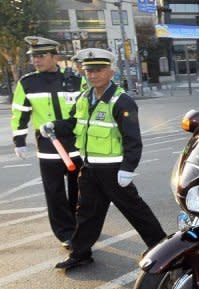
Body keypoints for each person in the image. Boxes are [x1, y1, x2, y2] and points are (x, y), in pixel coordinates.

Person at [52, 48, 167, 270]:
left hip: (113, 170)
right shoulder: (85, 97)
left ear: (110, 71)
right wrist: (54, 126)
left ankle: (162, 249)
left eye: (98, 70)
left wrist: (127, 168)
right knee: (86, 212)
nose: (92, 75)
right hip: (90, 168)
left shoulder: (121, 101)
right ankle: (80, 253)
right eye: (88, 71)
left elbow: (132, 139)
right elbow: (73, 123)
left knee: (136, 211)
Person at [11, 36, 83, 249]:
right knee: (55, 193)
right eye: (34, 56)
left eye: (41, 55)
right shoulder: (28, 83)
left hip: (75, 145)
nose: (36, 60)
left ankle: (79, 226)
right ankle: (65, 233)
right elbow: (20, 113)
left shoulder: (75, 80)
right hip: (48, 148)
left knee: (79, 190)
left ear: (55, 56)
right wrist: (19, 141)